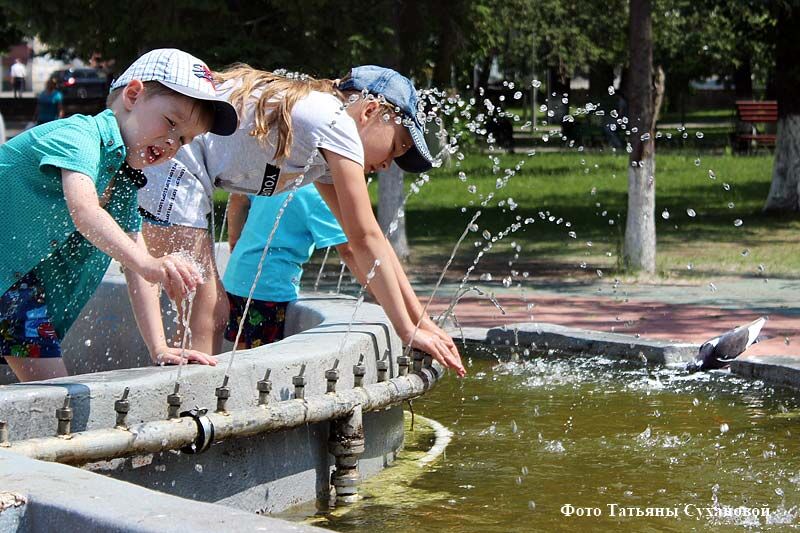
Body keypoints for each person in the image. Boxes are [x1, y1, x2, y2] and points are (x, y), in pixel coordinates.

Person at [138, 65, 465, 376]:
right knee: (206, 311)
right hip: (173, 161)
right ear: (370, 112)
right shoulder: (336, 123)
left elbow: (367, 240)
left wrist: (423, 321)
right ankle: (188, 414)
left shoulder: (322, 150)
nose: (386, 166)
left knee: (211, 310)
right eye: (395, 147)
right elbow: (364, 240)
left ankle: (191, 407)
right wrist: (406, 330)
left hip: (181, 166)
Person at [0, 48, 239, 382]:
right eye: (171, 123)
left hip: (16, 289)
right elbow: (85, 211)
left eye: (185, 139)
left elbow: (135, 261)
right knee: (54, 397)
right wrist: (149, 264)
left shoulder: (123, 180)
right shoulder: (77, 138)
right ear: (133, 95)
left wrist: (159, 348)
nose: (173, 142)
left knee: (51, 393)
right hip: (13, 286)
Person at [223, 187, 351, 348]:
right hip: (269, 288)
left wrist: (234, 239)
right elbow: (349, 251)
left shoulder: (280, 177)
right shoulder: (318, 196)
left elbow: (237, 196)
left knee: (240, 350)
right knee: (260, 355)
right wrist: (376, 293)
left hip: (235, 279)